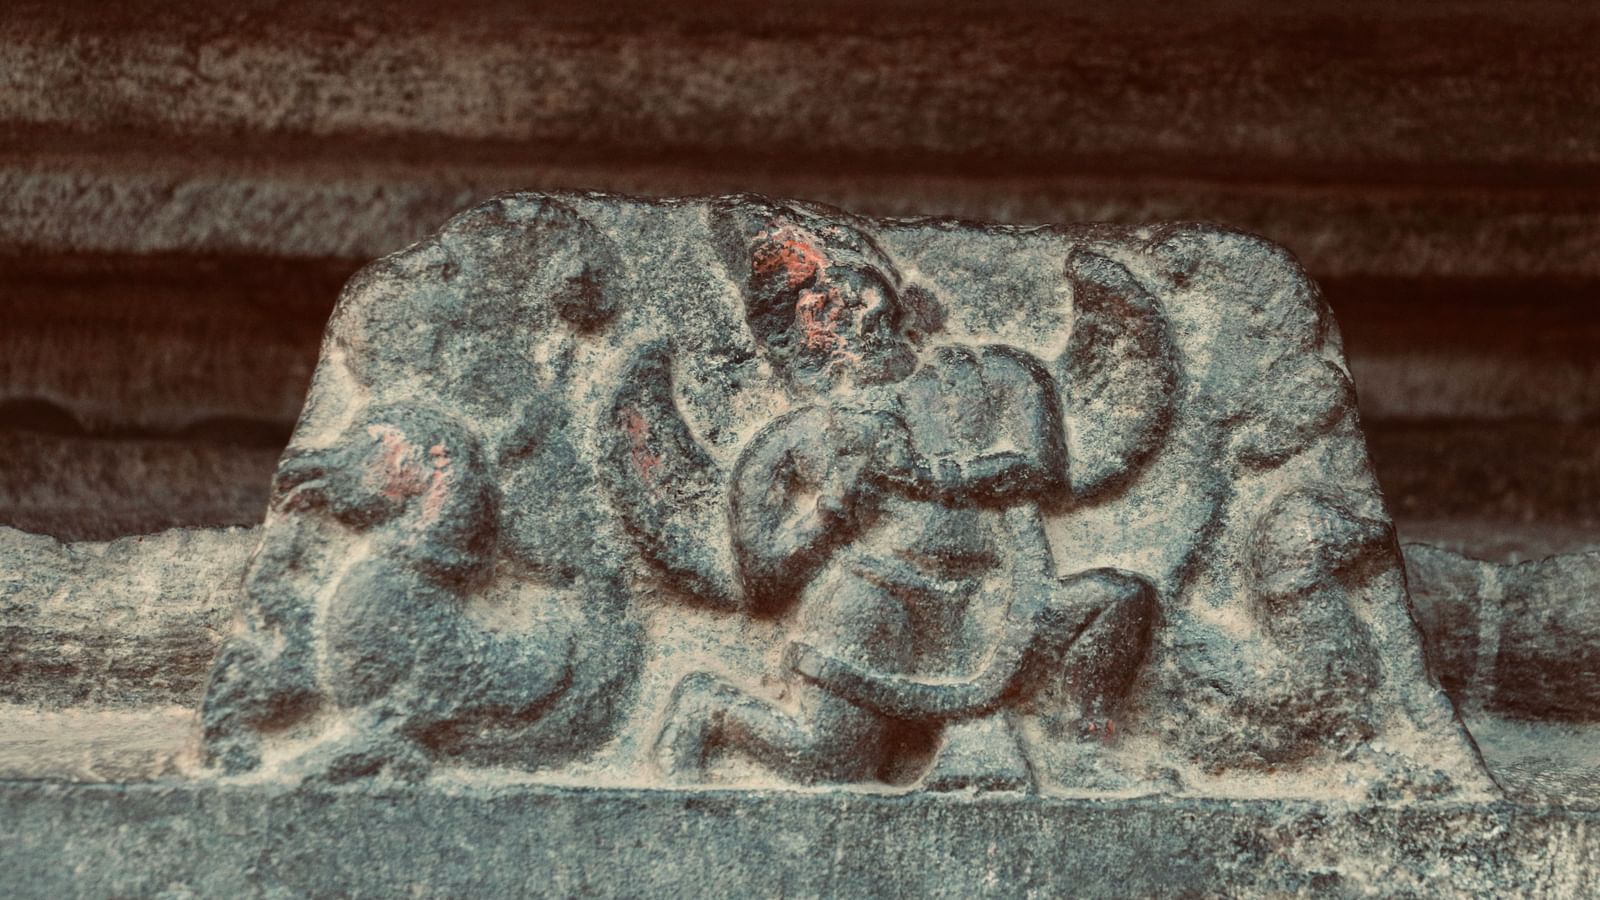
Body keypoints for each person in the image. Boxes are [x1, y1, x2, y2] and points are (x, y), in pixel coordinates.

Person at [652, 210, 1155, 787]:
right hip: (873, 607)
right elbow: (763, 583)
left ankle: (1083, 748)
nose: (835, 306)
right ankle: (708, 709)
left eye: (842, 282)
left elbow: (1044, 470)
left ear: (895, 290)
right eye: (809, 303)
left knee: (1120, 600)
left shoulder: (990, 375)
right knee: (828, 762)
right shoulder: (797, 437)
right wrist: (831, 513)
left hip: (996, 602)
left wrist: (932, 473)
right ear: (793, 337)